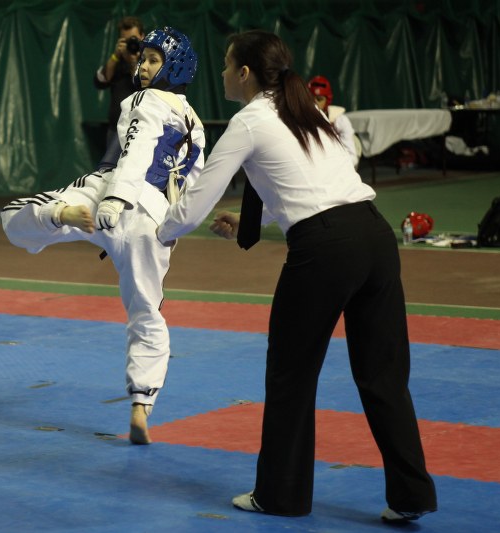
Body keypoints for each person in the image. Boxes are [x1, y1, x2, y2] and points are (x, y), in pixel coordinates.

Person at [157, 29, 437, 522]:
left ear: (244, 73)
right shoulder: (303, 109)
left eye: (227, 65)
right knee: (384, 376)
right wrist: (247, 223)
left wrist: (151, 229)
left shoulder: (249, 121)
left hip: (325, 252)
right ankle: (412, 496)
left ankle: (281, 495)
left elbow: (194, 203)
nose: (222, 73)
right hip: (374, 237)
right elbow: (312, 181)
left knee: (291, 374)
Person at [2, 27, 203, 445]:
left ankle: (58, 215)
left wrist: (113, 201)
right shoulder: (197, 125)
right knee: (147, 312)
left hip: (108, 196)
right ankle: (142, 404)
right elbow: (190, 185)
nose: (142, 67)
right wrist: (175, 229)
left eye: (152, 60)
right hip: (156, 225)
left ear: (175, 66)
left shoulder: (144, 99)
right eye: (142, 59)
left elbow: (136, 148)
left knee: (13, 216)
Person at [93, 16, 145, 169]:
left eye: (133, 39)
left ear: (142, 36)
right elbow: (101, 80)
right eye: (125, 39)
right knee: (108, 171)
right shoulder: (117, 61)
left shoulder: (148, 61)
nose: (130, 43)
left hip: (137, 127)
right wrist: (116, 55)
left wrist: (133, 61)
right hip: (115, 127)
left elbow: (141, 85)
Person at [307, 75, 360, 168]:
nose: (315, 103)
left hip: (341, 166)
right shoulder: (302, 120)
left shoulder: (339, 120)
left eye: (319, 99)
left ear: (327, 100)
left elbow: (352, 156)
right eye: (311, 99)